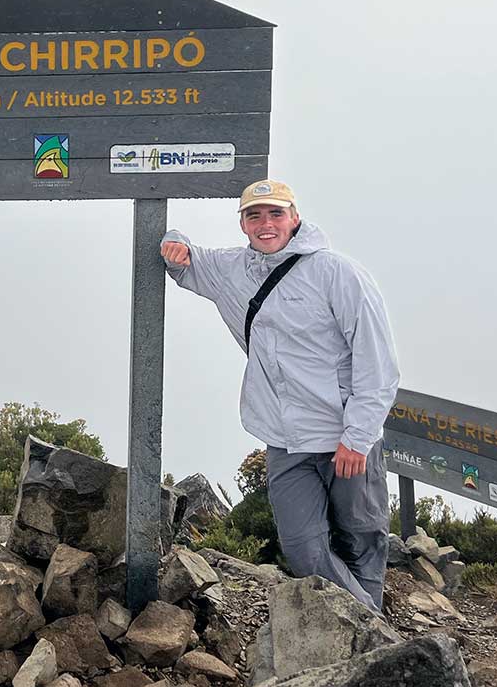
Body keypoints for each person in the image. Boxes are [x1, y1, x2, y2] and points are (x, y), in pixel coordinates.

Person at [160, 179, 399, 612]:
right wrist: (173, 242)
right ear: (243, 224)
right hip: (284, 440)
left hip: (345, 438)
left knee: (362, 541)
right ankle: (373, 629)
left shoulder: (337, 273)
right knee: (304, 549)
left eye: (275, 213)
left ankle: (362, 645)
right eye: (254, 215)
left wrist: (358, 436)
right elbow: (185, 261)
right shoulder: (232, 269)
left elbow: (377, 364)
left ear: (294, 217)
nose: (265, 224)